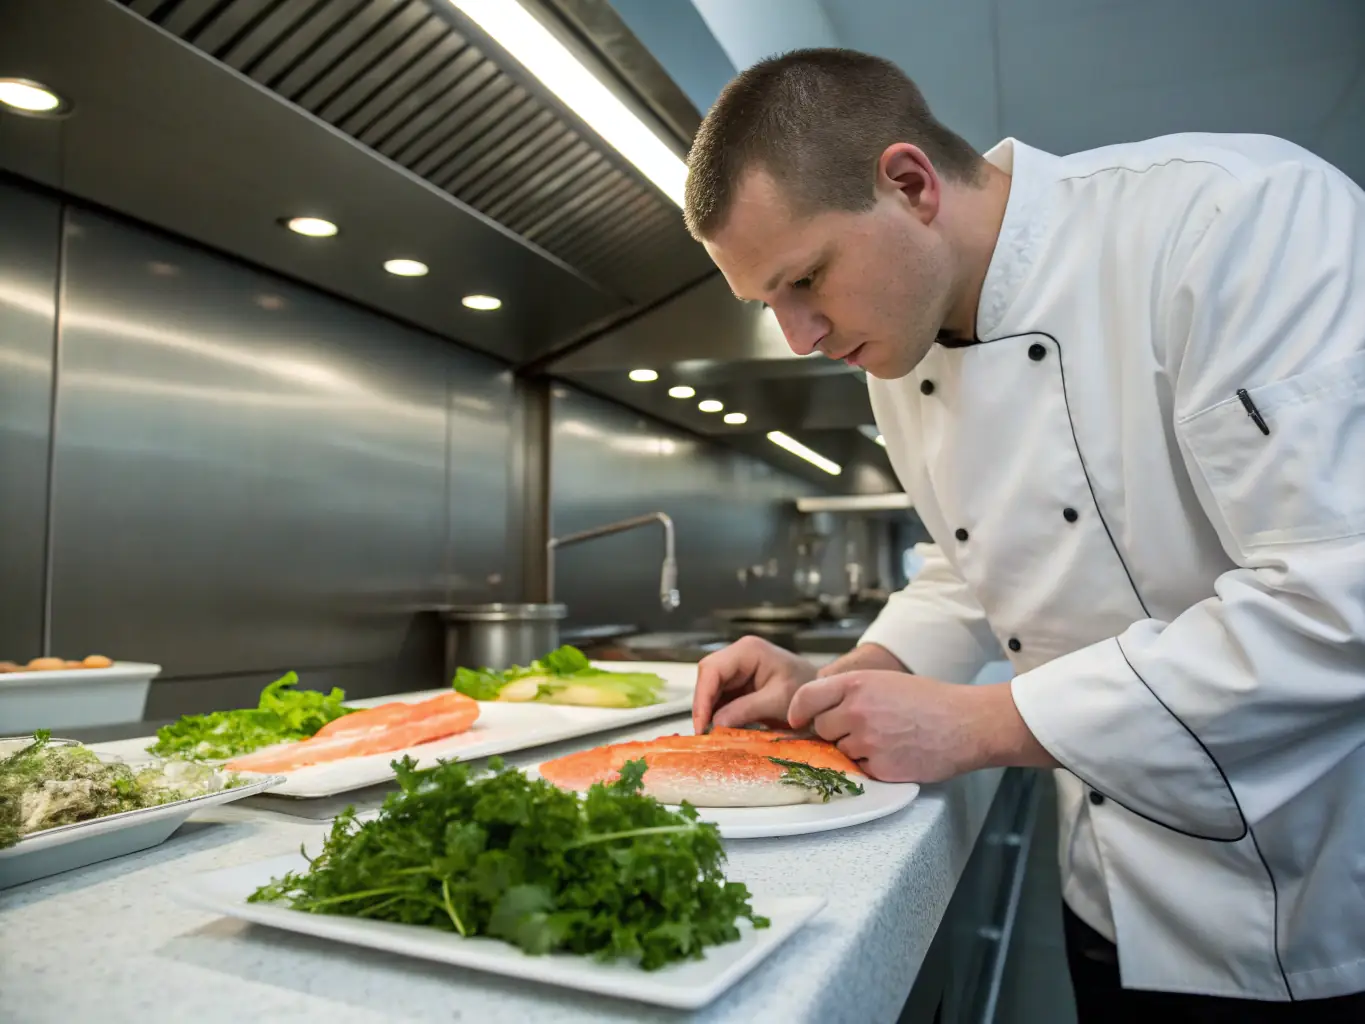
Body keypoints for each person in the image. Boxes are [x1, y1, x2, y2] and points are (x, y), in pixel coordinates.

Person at [683, 48, 1365, 1022]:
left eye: (806, 279)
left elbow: (1339, 598)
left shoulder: (1234, 224)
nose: (800, 336)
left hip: (1317, 900)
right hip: (1110, 888)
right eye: (770, 305)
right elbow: (973, 567)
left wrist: (977, 725)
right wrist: (840, 683)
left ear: (910, 183)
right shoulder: (897, 353)